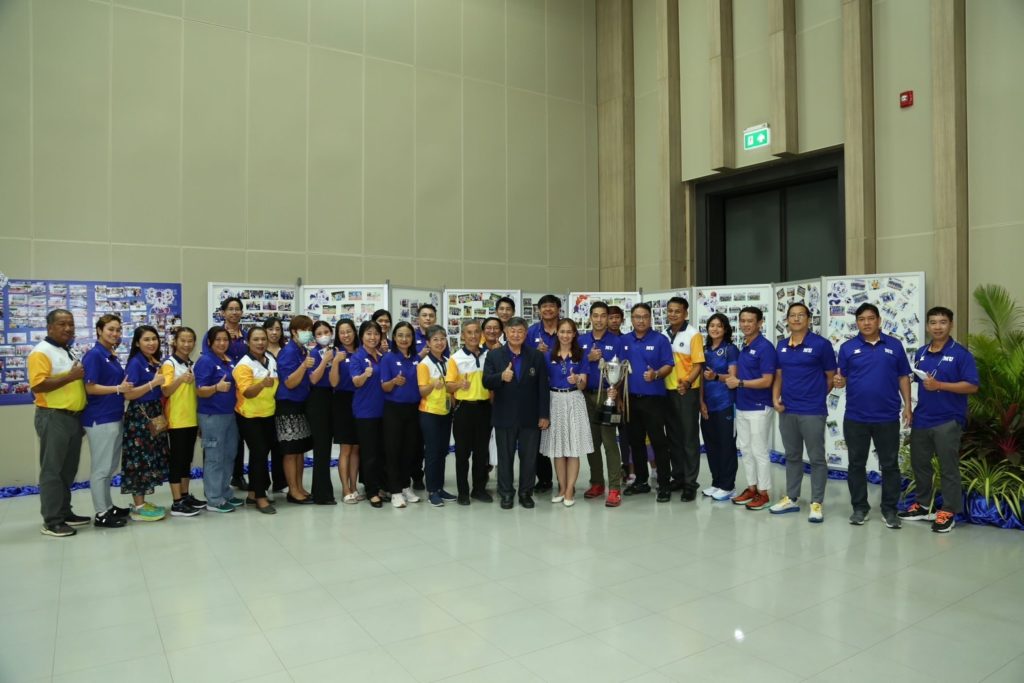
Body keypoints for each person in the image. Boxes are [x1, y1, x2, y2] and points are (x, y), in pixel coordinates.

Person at [899, 306, 979, 533]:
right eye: (933, 322)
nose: (937, 327)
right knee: (920, 465)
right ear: (927, 326)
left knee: (948, 468)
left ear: (950, 325)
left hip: (948, 419)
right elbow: (916, 382)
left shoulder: (961, 354)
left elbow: (972, 386)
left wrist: (940, 385)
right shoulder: (921, 352)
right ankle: (923, 505)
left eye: (942, 322)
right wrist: (909, 408)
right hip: (922, 418)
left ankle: (949, 511)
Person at [834, 303, 912, 529]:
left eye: (870, 318)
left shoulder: (894, 345)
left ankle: (890, 510)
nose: (866, 323)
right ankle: (860, 508)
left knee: (890, 465)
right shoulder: (848, 348)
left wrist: (908, 406)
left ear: (879, 320)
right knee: (856, 464)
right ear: (856, 323)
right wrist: (839, 381)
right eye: (861, 319)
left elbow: (903, 377)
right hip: (856, 417)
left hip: (887, 416)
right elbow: (842, 378)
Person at [770, 303, 837, 522]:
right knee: (792, 456)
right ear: (787, 320)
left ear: (809, 319)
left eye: (801, 315)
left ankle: (816, 503)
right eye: (792, 315)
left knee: (816, 458)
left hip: (812, 411)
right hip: (787, 409)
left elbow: (830, 378)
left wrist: (815, 396)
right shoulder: (781, 345)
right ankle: (791, 497)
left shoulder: (821, 345)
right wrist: (775, 399)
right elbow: (779, 376)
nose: (796, 319)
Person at [30, 309, 89, 537]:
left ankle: (64, 512)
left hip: (73, 417)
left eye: (71, 324)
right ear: (50, 327)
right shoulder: (41, 352)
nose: (68, 328)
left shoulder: (66, 350)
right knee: (52, 470)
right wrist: (70, 377)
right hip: (53, 416)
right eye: (62, 324)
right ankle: (52, 521)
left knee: (67, 470)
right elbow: (38, 385)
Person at [483, 316, 550, 509]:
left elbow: (543, 388)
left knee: (529, 458)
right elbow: (486, 381)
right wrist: (501, 376)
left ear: (526, 334)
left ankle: (525, 493)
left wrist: (544, 415)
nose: (516, 334)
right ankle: (506, 493)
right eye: (512, 331)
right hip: (504, 415)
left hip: (530, 416)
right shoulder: (494, 355)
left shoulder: (536, 356)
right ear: (505, 332)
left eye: (520, 331)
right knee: (505, 457)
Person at [621, 303, 675, 502]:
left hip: (654, 400)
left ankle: (664, 484)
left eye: (645, 316)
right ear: (631, 319)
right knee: (635, 442)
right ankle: (641, 481)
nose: (641, 320)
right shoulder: (624, 340)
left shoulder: (660, 340)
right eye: (637, 317)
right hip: (630, 399)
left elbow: (669, 365)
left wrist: (656, 374)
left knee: (659, 443)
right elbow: (618, 367)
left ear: (650, 318)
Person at [725, 307, 777, 511]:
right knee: (745, 450)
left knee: (759, 451)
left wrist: (739, 383)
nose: (746, 324)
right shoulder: (745, 345)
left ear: (760, 323)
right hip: (742, 406)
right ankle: (752, 487)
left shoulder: (765, 347)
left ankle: (764, 493)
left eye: (750, 321)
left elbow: (767, 380)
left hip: (759, 406)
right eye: (743, 321)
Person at [82, 314, 132, 528]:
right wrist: (118, 388)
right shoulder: (94, 355)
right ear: (99, 330)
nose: (115, 333)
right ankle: (101, 513)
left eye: (118, 330)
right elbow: (90, 387)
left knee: (109, 467)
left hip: (114, 415)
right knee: (101, 469)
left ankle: (108, 506)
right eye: (111, 329)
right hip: (100, 418)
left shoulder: (109, 354)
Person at [540, 319, 593, 506]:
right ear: (557, 333)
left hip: (574, 400)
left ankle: (570, 489)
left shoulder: (581, 355)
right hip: (554, 401)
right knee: (559, 449)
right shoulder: (548, 355)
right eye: (562, 331)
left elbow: (583, 385)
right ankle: (562, 488)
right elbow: (542, 381)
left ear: (574, 334)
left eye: (569, 332)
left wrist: (577, 379)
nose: (565, 335)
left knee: (573, 448)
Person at [121, 325, 170, 522]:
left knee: (150, 458)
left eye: (154, 339)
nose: (151, 343)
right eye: (146, 340)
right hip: (140, 417)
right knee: (139, 459)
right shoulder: (135, 363)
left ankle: (142, 502)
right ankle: (138, 507)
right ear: (137, 343)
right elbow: (128, 394)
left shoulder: (152, 361)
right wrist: (153, 383)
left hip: (154, 412)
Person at [578, 302, 624, 507]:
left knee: (609, 442)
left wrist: (617, 391)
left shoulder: (617, 341)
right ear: (590, 318)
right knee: (591, 442)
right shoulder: (581, 340)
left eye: (603, 316)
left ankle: (614, 488)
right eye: (595, 315)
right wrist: (588, 358)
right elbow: (575, 366)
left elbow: (622, 370)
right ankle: (596, 482)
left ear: (607, 318)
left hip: (607, 395)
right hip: (585, 396)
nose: (599, 319)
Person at [194, 326, 242, 513]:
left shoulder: (227, 360)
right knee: (214, 457)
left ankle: (224, 492)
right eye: (218, 340)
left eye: (225, 340)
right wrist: (216, 388)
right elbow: (200, 390)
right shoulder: (205, 361)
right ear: (210, 342)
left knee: (229, 454)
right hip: (212, 416)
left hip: (230, 414)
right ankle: (214, 499)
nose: (222, 343)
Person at [446, 320, 493, 505]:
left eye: (476, 332)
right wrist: (459, 384)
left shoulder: (488, 355)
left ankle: (478, 489)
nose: (473, 336)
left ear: (481, 334)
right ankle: (463, 492)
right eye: (469, 332)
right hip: (464, 409)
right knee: (462, 454)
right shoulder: (455, 358)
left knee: (481, 453)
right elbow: (448, 386)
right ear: (462, 336)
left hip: (484, 408)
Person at [662, 297, 705, 500]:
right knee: (674, 438)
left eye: (677, 311)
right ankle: (678, 477)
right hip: (667, 391)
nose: (673, 314)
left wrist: (687, 382)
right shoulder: (663, 334)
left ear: (685, 313)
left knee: (689, 439)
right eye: (670, 311)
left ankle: (690, 483)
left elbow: (698, 364)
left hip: (686, 391)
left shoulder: (693, 334)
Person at [232, 327, 278, 513]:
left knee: (262, 453)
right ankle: (260, 497)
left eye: (263, 339)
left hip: (269, 413)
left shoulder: (270, 359)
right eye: (256, 339)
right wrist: (262, 384)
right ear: (248, 342)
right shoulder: (243, 365)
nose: (260, 343)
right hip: (249, 416)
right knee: (259, 453)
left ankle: (252, 492)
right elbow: (247, 392)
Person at [160, 327, 204, 517]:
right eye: (183, 341)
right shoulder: (169, 364)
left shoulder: (190, 364)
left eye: (190, 341)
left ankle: (185, 496)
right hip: (176, 420)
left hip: (191, 418)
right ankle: (177, 502)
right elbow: (165, 390)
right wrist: (180, 379)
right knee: (177, 461)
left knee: (187, 459)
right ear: (175, 342)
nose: (187, 344)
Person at [381, 322, 423, 508]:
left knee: (409, 450)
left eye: (408, 335)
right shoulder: (388, 358)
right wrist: (393, 382)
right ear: (394, 338)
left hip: (414, 409)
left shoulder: (417, 358)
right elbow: (384, 387)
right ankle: (395, 491)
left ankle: (406, 486)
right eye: (400, 335)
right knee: (393, 450)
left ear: (412, 338)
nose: (404, 339)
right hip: (394, 410)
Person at [275, 315, 316, 504]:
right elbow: (289, 382)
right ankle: (292, 491)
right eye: (304, 330)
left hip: (301, 405)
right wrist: (303, 366)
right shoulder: (288, 352)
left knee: (299, 450)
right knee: (291, 451)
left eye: (310, 330)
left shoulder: (302, 350)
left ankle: (299, 487)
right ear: (293, 331)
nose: (308, 333)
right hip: (288, 406)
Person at [699, 313, 739, 501]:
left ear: (725, 329)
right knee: (711, 445)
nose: (715, 329)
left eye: (719, 326)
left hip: (726, 404)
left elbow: (733, 377)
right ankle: (716, 483)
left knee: (726, 446)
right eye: (712, 325)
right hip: (708, 405)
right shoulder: (704, 350)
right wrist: (701, 402)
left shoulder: (730, 349)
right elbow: (700, 379)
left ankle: (728, 486)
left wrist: (716, 376)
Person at [211, 297, 249, 491]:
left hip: (244, 392)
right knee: (221, 441)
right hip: (222, 392)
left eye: (237, 309)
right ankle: (218, 484)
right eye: (230, 309)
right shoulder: (216, 334)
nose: (234, 312)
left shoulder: (246, 335)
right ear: (223, 313)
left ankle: (237, 475)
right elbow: (209, 357)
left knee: (239, 437)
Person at [525, 294, 560, 492]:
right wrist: (535, 354)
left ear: (558, 309)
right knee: (538, 436)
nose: (548, 309)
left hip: (562, 390)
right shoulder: (531, 332)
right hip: (537, 391)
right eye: (544, 306)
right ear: (539, 310)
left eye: (551, 306)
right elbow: (522, 358)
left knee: (562, 436)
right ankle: (544, 479)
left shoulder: (566, 330)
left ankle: (565, 480)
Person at [418, 326, 456, 507]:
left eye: (442, 339)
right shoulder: (424, 364)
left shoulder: (448, 361)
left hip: (445, 412)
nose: (440, 343)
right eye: (435, 340)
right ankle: (432, 490)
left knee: (442, 451)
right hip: (430, 413)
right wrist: (433, 385)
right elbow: (422, 391)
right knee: (432, 452)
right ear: (428, 343)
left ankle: (440, 487)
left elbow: (450, 386)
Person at [351, 320, 386, 507]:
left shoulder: (382, 356)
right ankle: (372, 491)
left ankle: (379, 486)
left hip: (384, 411)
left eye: (376, 334)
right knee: (369, 453)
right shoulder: (357, 357)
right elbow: (356, 381)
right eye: (369, 334)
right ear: (362, 336)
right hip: (365, 411)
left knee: (381, 451)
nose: (373, 337)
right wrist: (365, 374)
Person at [329, 319, 361, 503]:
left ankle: (354, 487)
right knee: (346, 448)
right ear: (338, 335)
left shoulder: (361, 352)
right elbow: (333, 382)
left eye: (349, 331)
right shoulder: (335, 353)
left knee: (356, 447)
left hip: (360, 401)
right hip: (342, 402)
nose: (346, 335)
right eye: (342, 332)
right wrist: (335, 362)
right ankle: (345, 489)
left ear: (355, 332)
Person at [306, 320, 337, 504]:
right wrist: (325, 361)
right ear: (314, 337)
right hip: (318, 400)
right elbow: (313, 379)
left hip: (334, 398)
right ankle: (321, 493)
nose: (323, 336)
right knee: (321, 448)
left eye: (326, 332)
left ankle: (326, 490)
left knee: (328, 447)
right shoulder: (313, 354)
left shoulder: (336, 351)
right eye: (319, 333)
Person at [607, 305, 633, 482]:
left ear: (622, 319)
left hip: (623, 395)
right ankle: (610, 473)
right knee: (606, 436)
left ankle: (628, 468)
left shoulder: (626, 340)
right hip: (604, 395)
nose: (614, 320)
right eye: (611, 317)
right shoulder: (601, 341)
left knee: (625, 434)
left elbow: (626, 370)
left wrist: (621, 396)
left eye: (617, 317)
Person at [262, 317, 288, 496]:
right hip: (263, 404)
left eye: (278, 329)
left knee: (281, 445)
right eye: (270, 329)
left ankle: (281, 481)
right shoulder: (258, 352)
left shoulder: (286, 351)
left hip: (283, 403)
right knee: (263, 446)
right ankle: (262, 483)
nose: (274, 332)